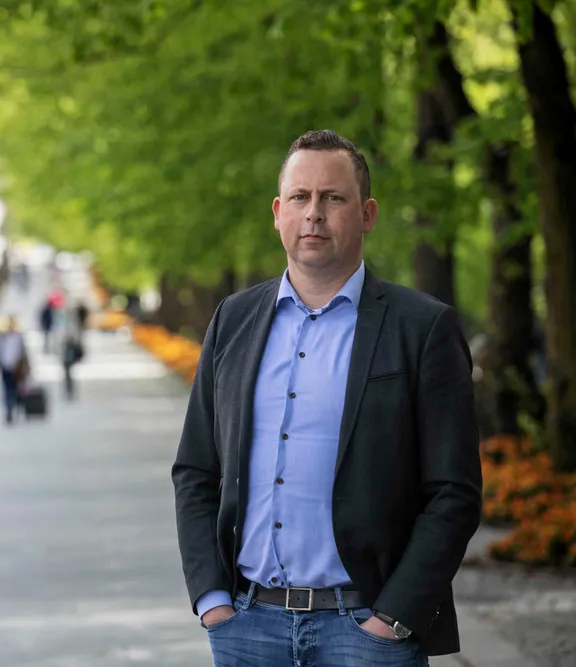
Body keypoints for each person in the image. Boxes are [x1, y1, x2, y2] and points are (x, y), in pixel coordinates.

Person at [171, 129, 482, 666]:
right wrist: (211, 600)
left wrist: (394, 617)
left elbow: (454, 491)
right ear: (278, 213)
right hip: (247, 627)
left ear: (367, 214)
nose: (313, 213)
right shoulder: (233, 320)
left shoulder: (422, 328)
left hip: (365, 632)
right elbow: (196, 470)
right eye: (300, 197)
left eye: (333, 198)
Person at [0, 315, 27, 425]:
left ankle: (17, 408)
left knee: (16, 390)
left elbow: (23, 353)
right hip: (5, 367)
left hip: (16, 368)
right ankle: (9, 410)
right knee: (7, 390)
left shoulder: (18, 337)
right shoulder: (2, 337)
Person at [60, 306, 85, 401]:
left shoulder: (72, 324)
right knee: (67, 372)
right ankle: (69, 390)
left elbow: (74, 337)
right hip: (65, 350)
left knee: (68, 372)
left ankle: (69, 390)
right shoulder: (67, 323)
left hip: (69, 350)